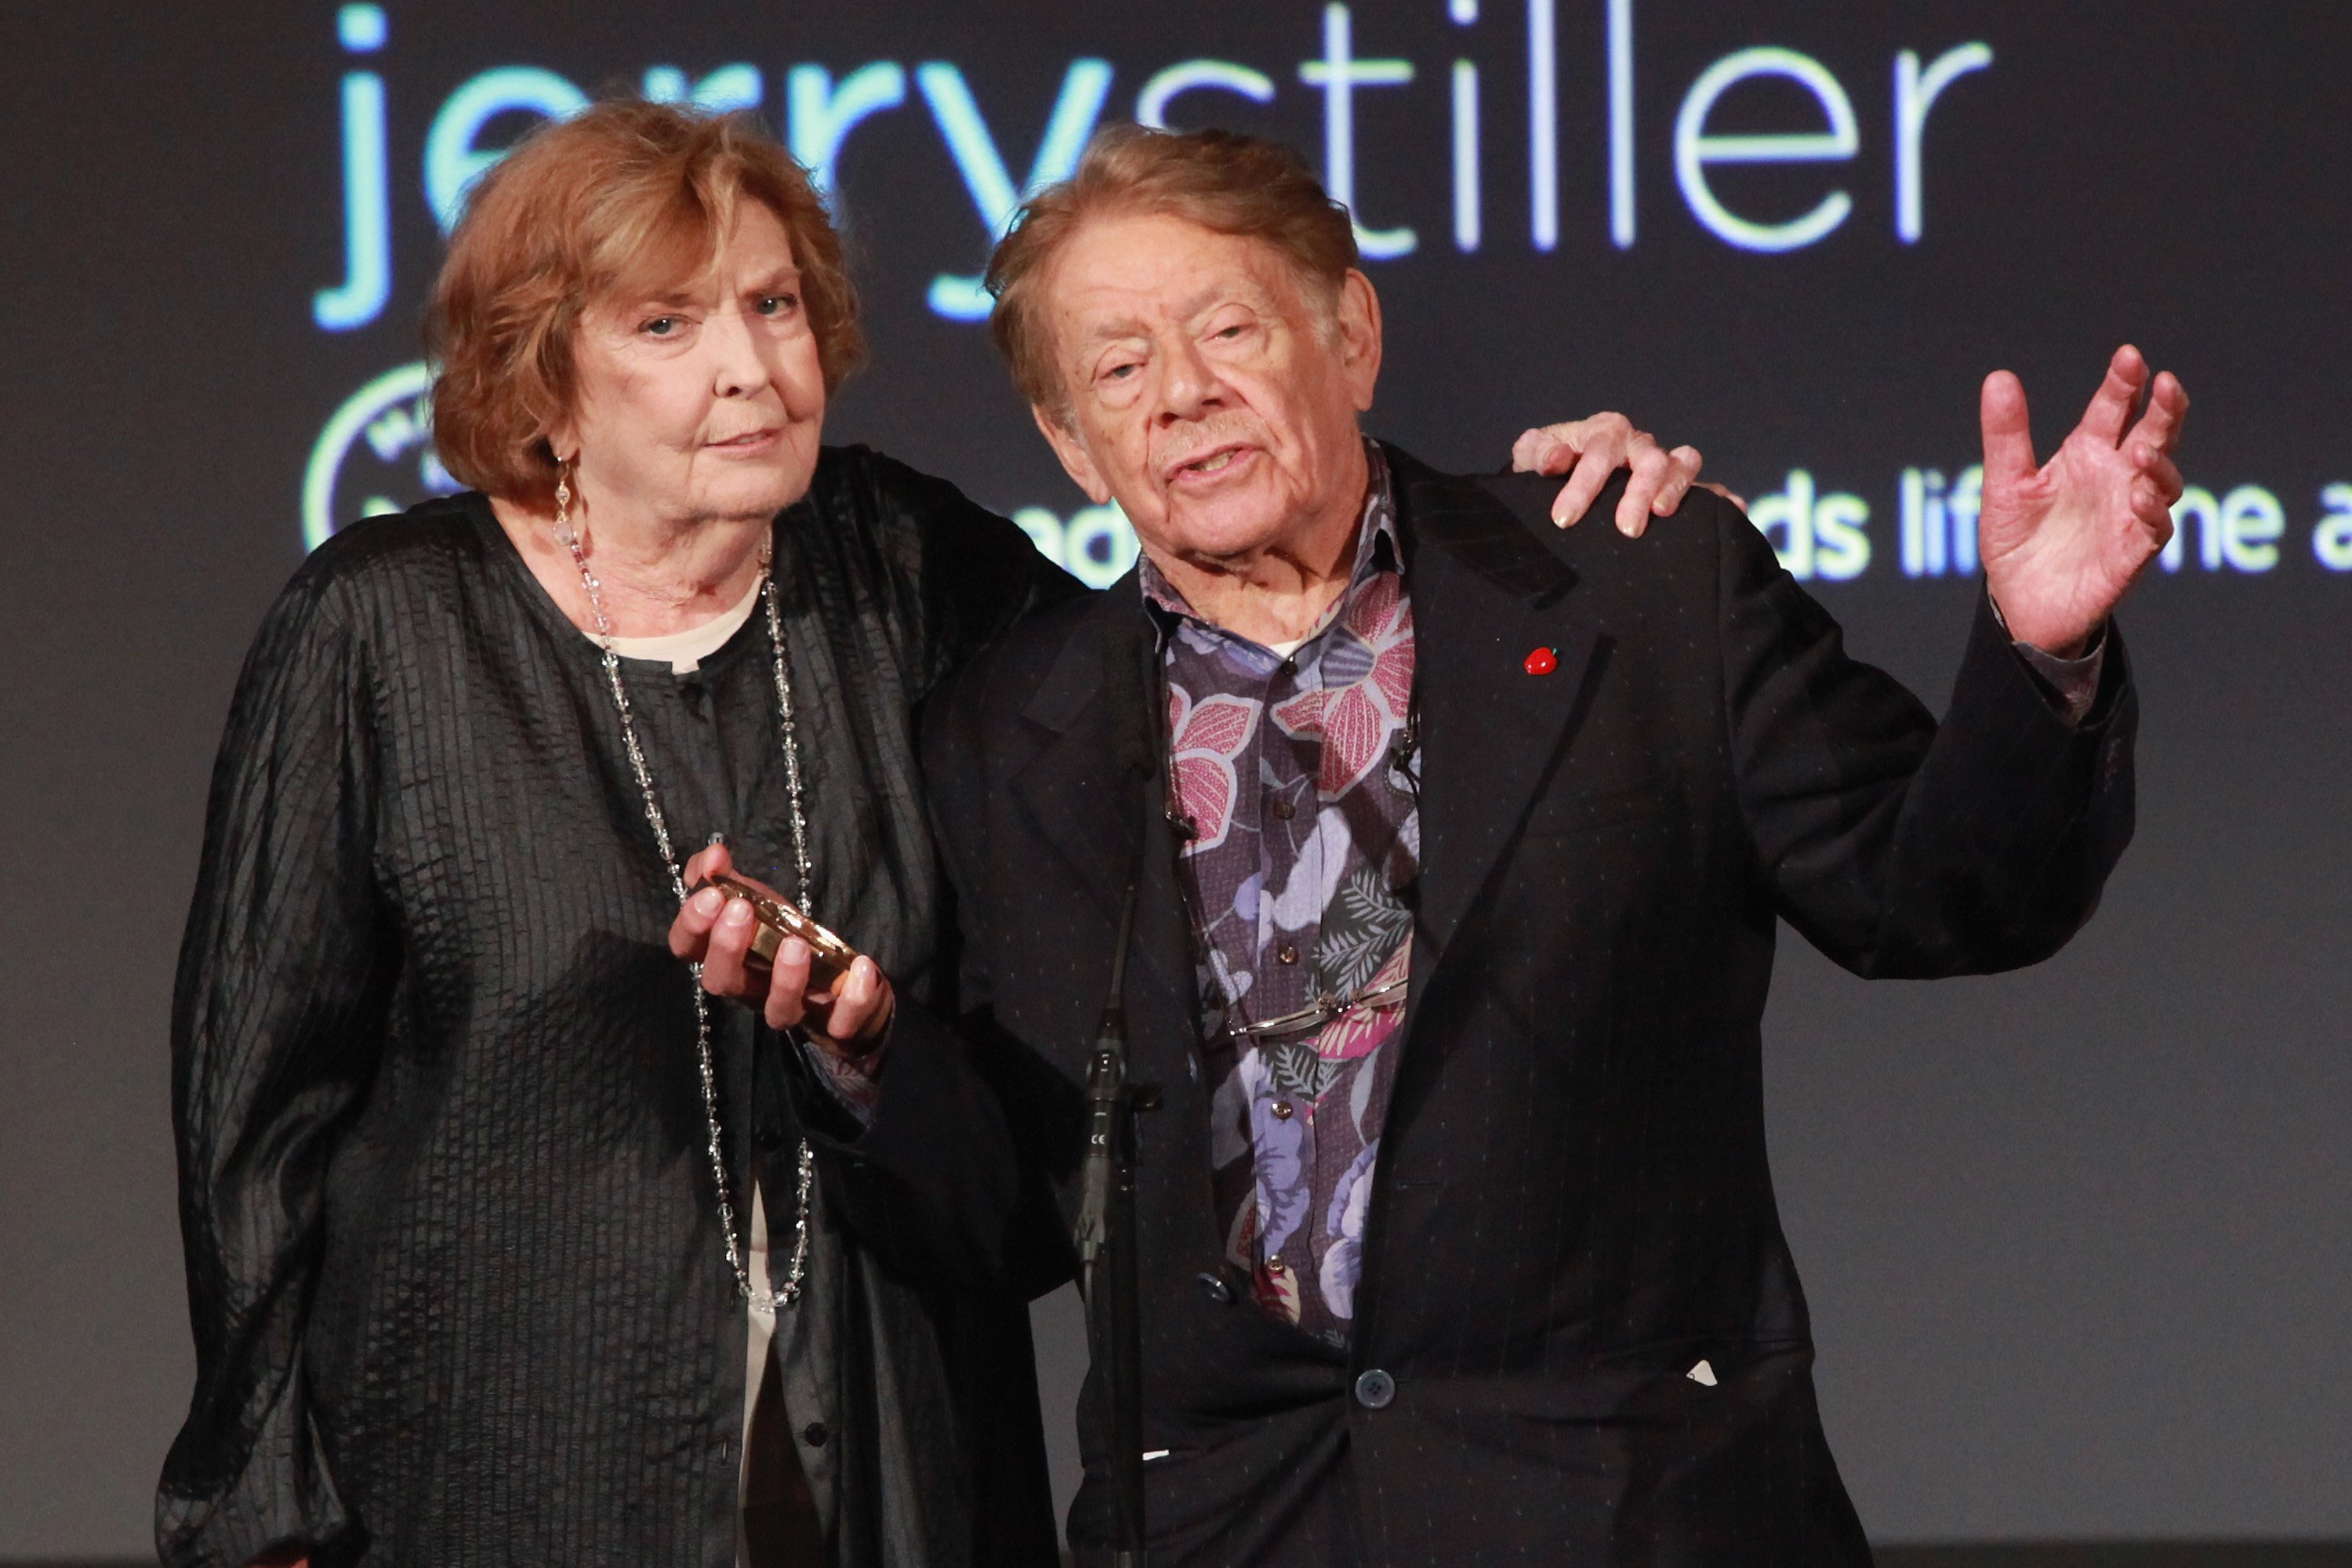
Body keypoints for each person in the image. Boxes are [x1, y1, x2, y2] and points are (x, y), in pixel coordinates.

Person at [161, 102, 1705, 1568]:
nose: (753, 369)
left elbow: (1228, 637)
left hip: (893, 1455)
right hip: (509, 1466)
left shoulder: (902, 565)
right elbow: (257, 1116)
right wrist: (261, 1509)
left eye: (775, 308)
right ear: (545, 379)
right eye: (667, 324)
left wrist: (1491, 534)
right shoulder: (380, 630)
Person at [678, 125, 2187, 1564]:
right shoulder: (1009, 733)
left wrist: (2037, 652)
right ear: (1073, 445)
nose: (1182, 397)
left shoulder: (1628, 585)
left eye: (1230, 333)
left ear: (1350, 337)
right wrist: (872, 1058)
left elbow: (1935, 895)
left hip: (1628, 1512)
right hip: (1238, 1530)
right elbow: (1025, 1218)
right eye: (1120, 370)